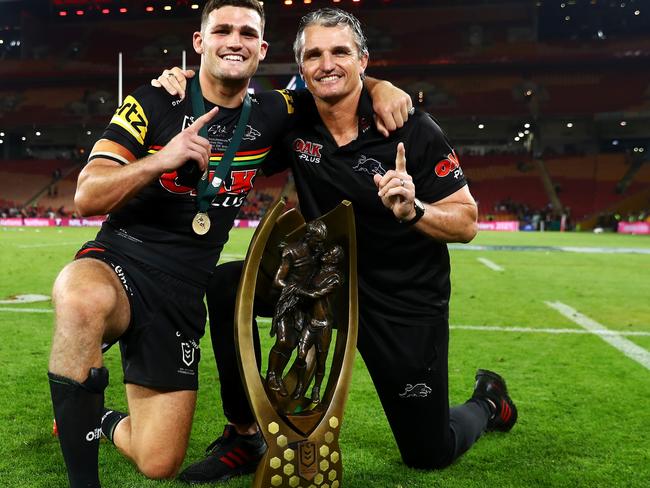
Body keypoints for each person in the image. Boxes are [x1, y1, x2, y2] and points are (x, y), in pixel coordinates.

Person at [47, 1, 410, 487]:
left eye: (246, 33)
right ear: (200, 43)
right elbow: (86, 194)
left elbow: (333, 83)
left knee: (159, 462)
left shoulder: (274, 112)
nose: (233, 40)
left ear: (261, 51)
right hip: (120, 262)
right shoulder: (153, 101)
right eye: (221, 30)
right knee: (79, 295)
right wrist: (161, 159)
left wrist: (381, 85)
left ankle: (97, 419)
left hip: (179, 295)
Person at [177, 7, 518, 484]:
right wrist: (180, 83)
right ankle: (244, 434)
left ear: (363, 60)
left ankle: (488, 400)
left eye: (340, 51)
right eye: (314, 54)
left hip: (402, 296)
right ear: (301, 68)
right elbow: (231, 115)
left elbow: (466, 222)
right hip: (326, 283)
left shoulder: (412, 128)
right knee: (228, 283)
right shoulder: (294, 121)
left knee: (429, 452)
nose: (326, 63)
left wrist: (413, 210)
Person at [266, 220, 327, 396]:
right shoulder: (291, 252)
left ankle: (277, 377)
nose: (320, 245)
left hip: (304, 305)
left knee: (292, 343)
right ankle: (272, 375)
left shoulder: (317, 252)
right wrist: (299, 290)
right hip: (288, 301)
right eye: (318, 241)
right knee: (284, 340)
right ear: (309, 237)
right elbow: (278, 281)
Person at [291, 243, 344, 403]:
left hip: (324, 324)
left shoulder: (336, 277)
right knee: (301, 355)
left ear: (334, 260)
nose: (326, 254)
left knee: (321, 361)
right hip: (311, 322)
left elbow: (317, 293)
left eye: (330, 254)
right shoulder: (316, 270)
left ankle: (316, 388)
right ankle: (300, 386)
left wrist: (298, 290)